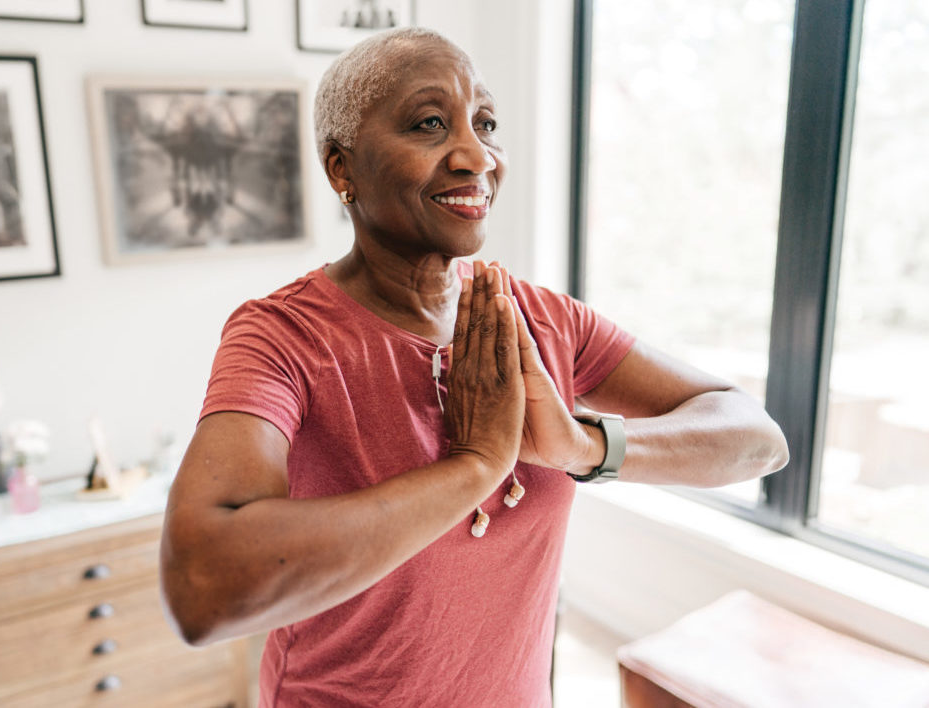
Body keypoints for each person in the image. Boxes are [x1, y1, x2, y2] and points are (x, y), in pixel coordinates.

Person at [160, 27, 789, 706]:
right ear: (342, 169)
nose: (475, 155)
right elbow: (203, 589)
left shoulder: (537, 317)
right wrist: (474, 466)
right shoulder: (283, 336)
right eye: (429, 124)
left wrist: (582, 445)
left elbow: (756, 438)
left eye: (485, 123)